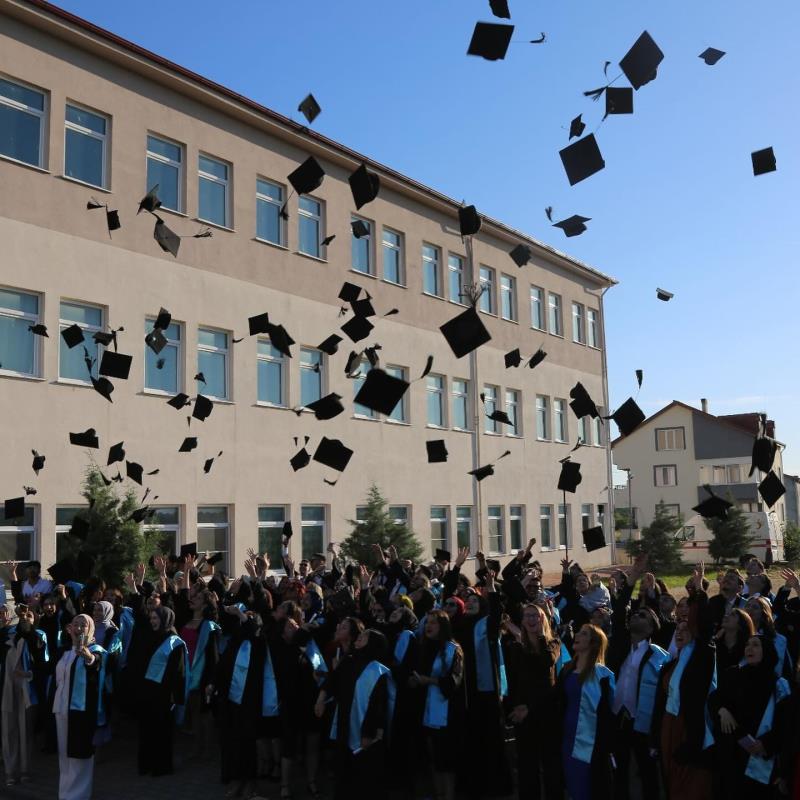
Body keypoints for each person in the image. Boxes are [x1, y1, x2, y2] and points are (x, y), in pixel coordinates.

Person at [315, 628, 394, 800]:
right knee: (343, 775)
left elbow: (377, 707)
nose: (359, 637)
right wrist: (321, 699)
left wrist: (368, 733)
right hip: (344, 725)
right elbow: (332, 681)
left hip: (366, 733)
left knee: (364, 779)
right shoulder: (348, 661)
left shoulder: (377, 671)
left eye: (364, 636)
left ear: (372, 644)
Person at [709, 635, 791, 798]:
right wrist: (721, 710)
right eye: (747, 644)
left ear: (766, 652)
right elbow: (714, 699)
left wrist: (767, 744)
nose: (749, 648)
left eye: (755, 645)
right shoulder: (734, 674)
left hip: (758, 756)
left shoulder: (779, 685)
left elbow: (786, 723)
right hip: (731, 753)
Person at [652, 617, 716, 800]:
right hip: (669, 727)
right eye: (677, 629)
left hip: (689, 728)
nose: (679, 632)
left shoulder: (700, 662)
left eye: (686, 629)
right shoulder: (671, 665)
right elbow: (660, 703)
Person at [610, 606, 671, 800]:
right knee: (619, 769)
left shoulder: (660, 656)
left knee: (647, 773)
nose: (636, 615)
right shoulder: (619, 648)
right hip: (619, 718)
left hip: (643, 722)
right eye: (635, 613)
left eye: (643, 615)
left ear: (651, 628)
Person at [506, 603, 562, 800]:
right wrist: (518, 706)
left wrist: (540, 636)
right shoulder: (515, 648)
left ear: (543, 620)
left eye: (535, 616)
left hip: (546, 713)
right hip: (523, 714)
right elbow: (515, 681)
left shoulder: (553, 644)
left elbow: (544, 662)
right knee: (527, 768)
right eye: (527, 616)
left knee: (551, 767)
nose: (531, 619)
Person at [556, 623, 615, 800]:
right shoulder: (568, 670)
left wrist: (606, 746)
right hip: (568, 739)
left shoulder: (602, 675)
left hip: (591, 744)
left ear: (593, 643)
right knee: (574, 788)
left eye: (583, 634)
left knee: (591, 789)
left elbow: (608, 714)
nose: (577, 636)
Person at [412, 609, 465, 800]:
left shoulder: (452, 649)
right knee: (432, 758)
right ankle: (437, 794)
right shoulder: (424, 647)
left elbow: (454, 682)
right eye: (427, 622)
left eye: (433, 623)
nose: (428, 626)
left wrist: (430, 681)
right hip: (425, 712)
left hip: (445, 714)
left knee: (446, 761)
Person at [53, 613, 106, 800]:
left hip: (81, 711)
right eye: (76, 624)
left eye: (84, 625)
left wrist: (89, 657)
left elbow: (97, 664)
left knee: (79, 754)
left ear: (91, 629)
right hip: (61, 709)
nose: (79, 628)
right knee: (64, 754)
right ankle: (65, 793)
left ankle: (78, 795)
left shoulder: (96, 650)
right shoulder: (65, 652)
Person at [136, 606, 187, 777]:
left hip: (163, 693)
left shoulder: (174, 641)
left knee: (162, 731)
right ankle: (146, 764)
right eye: (151, 618)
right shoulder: (149, 636)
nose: (153, 621)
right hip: (147, 690)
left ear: (165, 619)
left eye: (156, 618)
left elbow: (178, 672)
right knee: (146, 729)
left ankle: (161, 766)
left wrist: (175, 695)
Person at [2, 604, 48, 785]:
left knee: (25, 732)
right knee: (9, 731)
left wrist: (29, 674)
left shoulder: (37, 638)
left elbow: (43, 664)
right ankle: (10, 771)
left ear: (35, 618)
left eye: (29, 615)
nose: (25, 617)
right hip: (7, 690)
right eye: (22, 615)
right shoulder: (7, 636)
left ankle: (25, 769)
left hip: (29, 691)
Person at [714, 608, 755, 673]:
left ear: (741, 624)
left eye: (732, 615)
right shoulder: (714, 644)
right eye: (727, 614)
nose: (725, 616)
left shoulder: (746, 649)